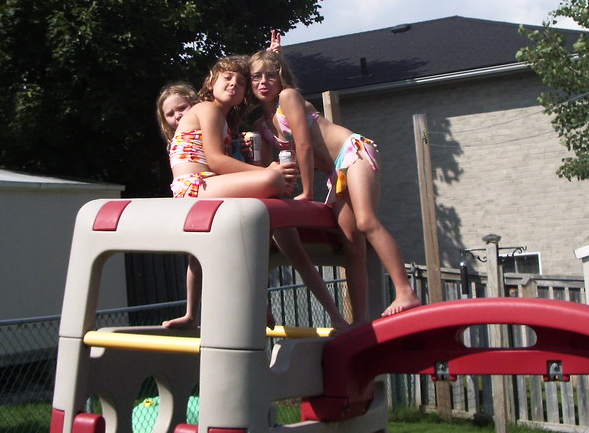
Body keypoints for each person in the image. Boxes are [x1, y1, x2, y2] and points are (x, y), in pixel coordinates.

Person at [158, 56, 349, 330]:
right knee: (272, 179)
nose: (234, 85)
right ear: (211, 82)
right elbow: (215, 161)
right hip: (195, 186)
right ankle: (212, 312)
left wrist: (256, 168)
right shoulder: (208, 110)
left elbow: (225, 165)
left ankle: (335, 315)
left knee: (290, 242)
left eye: (240, 82)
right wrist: (265, 174)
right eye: (227, 79)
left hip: (208, 185)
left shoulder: (225, 122)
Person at [249, 45, 422, 323]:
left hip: (352, 152)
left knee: (366, 223)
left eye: (270, 75)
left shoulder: (288, 97)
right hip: (335, 174)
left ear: (281, 78)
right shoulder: (262, 127)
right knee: (351, 246)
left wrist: (306, 193)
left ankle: (405, 292)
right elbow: (271, 172)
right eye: (256, 77)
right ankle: (359, 321)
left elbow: (304, 145)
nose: (263, 82)